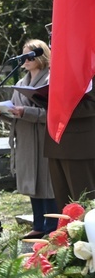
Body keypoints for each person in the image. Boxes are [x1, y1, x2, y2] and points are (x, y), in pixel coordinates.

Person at [0, 40, 57, 237]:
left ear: (41, 55)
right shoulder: (20, 83)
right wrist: (0, 113)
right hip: (26, 140)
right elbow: (15, 115)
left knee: (47, 184)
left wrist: (25, 112)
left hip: (45, 138)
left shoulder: (51, 80)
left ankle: (52, 227)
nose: (26, 60)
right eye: (23, 55)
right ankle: (38, 226)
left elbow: (53, 114)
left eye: (30, 55)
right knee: (32, 182)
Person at [44, 77, 95, 210]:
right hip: (56, 143)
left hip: (80, 146)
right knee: (64, 207)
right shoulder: (60, 64)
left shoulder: (89, 62)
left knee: (84, 203)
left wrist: (62, 106)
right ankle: (67, 231)